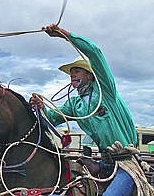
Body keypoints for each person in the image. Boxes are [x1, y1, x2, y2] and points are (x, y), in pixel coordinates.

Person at [30, 24, 138, 196]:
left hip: (126, 163)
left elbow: (95, 52)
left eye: (77, 71)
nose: (72, 75)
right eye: (71, 72)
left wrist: (65, 35)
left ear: (90, 75)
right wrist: (41, 108)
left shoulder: (106, 92)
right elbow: (52, 119)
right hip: (103, 163)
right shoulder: (75, 104)